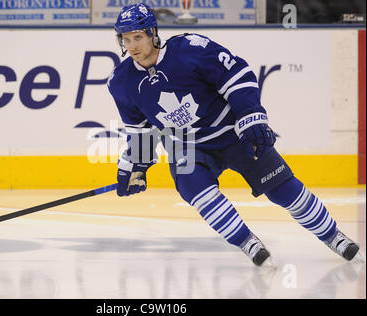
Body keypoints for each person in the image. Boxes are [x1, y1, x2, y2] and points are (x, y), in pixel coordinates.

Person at [106, 3, 360, 267]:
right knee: (195, 189)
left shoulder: (190, 49)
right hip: (188, 145)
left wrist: (252, 116)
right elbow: (140, 130)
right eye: (126, 39)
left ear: (152, 33)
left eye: (138, 37)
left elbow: (237, 75)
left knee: (282, 189)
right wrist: (135, 166)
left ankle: (332, 235)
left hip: (231, 133)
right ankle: (246, 241)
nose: (132, 45)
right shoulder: (121, 82)